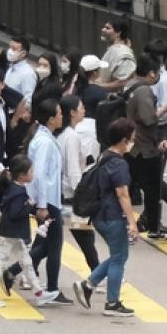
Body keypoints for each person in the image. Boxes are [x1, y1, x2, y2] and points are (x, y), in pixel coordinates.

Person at [70, 118, 139, 317]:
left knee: (118, 255)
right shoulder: (119, 164)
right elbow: (123, 195)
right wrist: (132, 223)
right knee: (119, 258)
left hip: (99, 215)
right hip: (112, 216)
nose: (133, 142)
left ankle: (88, 284)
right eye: (132, 139)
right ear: (124, 140)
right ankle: (112, 302)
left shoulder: (104, 156)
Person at [15, 98, 70, 304]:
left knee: (47, 244)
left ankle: (14, 272)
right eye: (59, 113)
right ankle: (52, 288)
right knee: (53, 246)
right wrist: (43, 205)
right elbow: (40, 176)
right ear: (51, 119)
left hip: (47, 200)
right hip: (47, 202)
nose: (61, 116)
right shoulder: (45, 142)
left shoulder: (43, 137)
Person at [0, 156, 46, 308]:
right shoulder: (19, 192)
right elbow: (16, 213)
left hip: (10, 232)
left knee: (25, 263)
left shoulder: (14, 188)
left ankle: (39, 293)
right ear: (22, 175)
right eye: (31, 171)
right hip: (15, 234)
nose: (33, 173)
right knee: (5, 264)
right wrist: (29, 205)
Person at [124, 56, 167, 239]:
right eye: (157, 73)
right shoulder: (144, 90)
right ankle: (154, 227)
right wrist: (161, 110)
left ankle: (128, 223)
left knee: (129, 187)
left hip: (131, 147)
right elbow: (148, 118)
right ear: (151, 73)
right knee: (153, 191)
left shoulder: (130, 85)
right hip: (145, 149)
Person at [58, 95, 102, 270]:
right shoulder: (71, 137)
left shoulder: (64, 135)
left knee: (85, 240)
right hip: (70, 199)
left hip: (65, 197)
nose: (84, 110)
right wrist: (80, 195)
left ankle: (16, 272)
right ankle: (97, 276)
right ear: (73, 112)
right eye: (81, 107)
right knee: (86, 239)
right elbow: (74, 170)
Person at [99, 20, 135, 93]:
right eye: (104, 27)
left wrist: (96, 87)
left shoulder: (124, 55)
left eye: (107, 28)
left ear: (118, 33)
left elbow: (123, 83)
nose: (103, 30)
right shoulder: (113, 49)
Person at [3, 36, 37, 102]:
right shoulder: (11, 68)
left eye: (14, 49)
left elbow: (27, 101)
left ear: (23, 54)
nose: (9, 51)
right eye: (10, 47)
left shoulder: (28, 74)